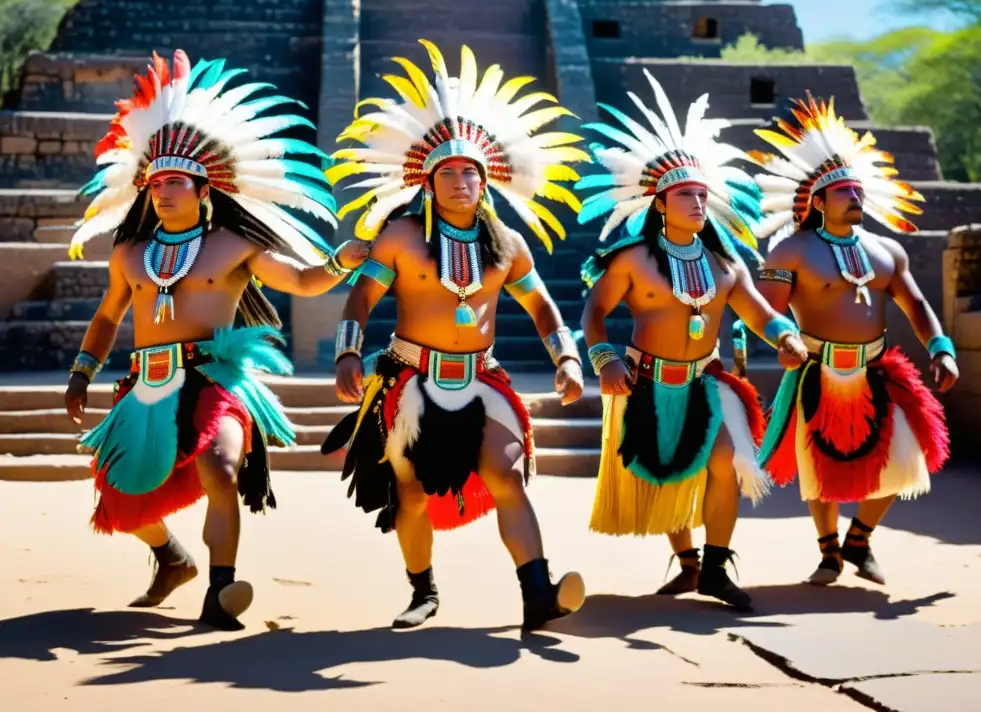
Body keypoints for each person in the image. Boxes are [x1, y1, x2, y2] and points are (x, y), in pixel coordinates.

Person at [63, 50, 369, 630]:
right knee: (120, 501)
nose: (163, 192)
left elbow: (302, 281)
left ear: (205, 189)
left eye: (177, 182)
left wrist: (340, 261)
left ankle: (221, 589)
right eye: (155, 183)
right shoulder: (129, 254)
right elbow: (107, 318)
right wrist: (83, 370)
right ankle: (170, 557)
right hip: (146, 381)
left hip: (216, 376)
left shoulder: (234, 245)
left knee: (221, 469)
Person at [320, 39, 590, 631]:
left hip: (481, 379)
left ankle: (537, 595)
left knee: (509, 475)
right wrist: (347, 351)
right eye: (448, 173)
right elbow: (361, 296)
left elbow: (542, 304)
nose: (460, 182)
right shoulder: (398, 235)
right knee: (410, 494)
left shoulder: (508, 244)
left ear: (486, 179)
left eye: (471, 172)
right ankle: (423, 592)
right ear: (428, 182)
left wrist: (566, 357)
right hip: (409, 379)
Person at [575, 73, 808, 609]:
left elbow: (759, 312)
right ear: (659, 203)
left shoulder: (726, 264)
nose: (698, 202)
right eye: (686, 194)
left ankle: (717, 568)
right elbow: (594, 310)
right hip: (648, 383)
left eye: (703, 194)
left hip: (706, 380)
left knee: (723, 461)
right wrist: (604, 357)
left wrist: (785, 335)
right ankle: (688, 563)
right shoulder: (632, 260)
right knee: (666, 474)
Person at [748, 93, 958, 586]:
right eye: (843, 191)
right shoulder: (791, 250)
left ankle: (859, 538)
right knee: (816, 465)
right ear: (818, 202)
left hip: (877, 369)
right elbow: (762, 311)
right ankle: (828, 552)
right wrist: (773, 341)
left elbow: (917, 305)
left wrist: (941, 347)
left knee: (906, 455)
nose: (855, 197)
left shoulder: (887, 251)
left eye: (858, 190)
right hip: (815, 371)